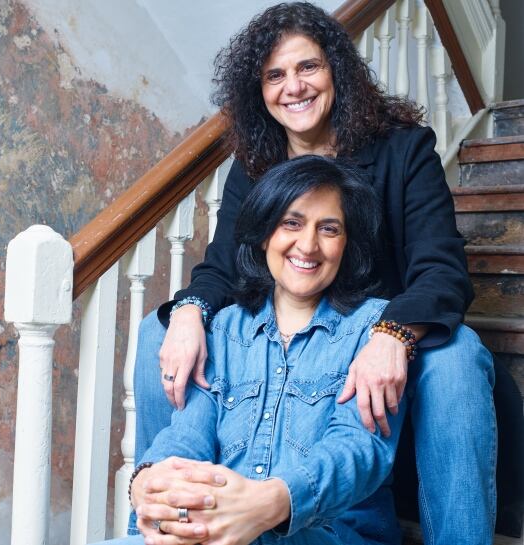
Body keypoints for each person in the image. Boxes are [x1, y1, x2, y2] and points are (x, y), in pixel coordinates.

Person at [134, 3, 497, 545]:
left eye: (308, 68)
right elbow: (223, 268)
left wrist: (391, 333)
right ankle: (160, 515)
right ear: (257, 89)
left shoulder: (404, 149)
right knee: (157, 333)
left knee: (459, 355)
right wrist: (190, 311)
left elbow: (441, 271)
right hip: (293, 335)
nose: (293, 87)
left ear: (337, 72)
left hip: (378, 337)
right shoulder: (254, 163)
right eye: (275, 75)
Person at [96, 155, 408, 545]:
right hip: (219, 529)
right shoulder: (224, 329)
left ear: (347, 243)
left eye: (329, 229)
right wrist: (149, 479)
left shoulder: (375, 329)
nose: (308, 245)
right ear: (265, 234)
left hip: (329, 534)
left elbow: (358, 452)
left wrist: (268, 503)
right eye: (291, 223)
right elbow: (188, 433)